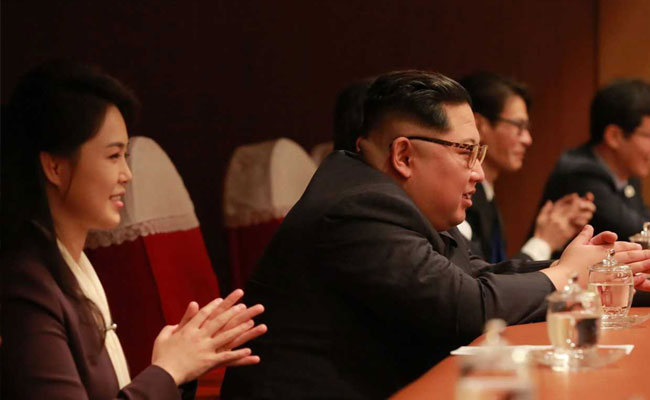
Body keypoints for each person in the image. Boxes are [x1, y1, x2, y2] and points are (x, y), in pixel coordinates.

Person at [221, 70, 650, 398]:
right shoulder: (358, 207)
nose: (478, 172)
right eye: (467, 152)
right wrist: (564, 275)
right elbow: (466, 307)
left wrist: (588, 270)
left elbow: (478, 274)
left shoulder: (389, 198)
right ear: (404, 155)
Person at [0, 61, 267, 399]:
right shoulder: (27, 283)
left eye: (125, 156)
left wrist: (181, 368)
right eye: (114, 156)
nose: (127, 174)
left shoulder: (70, 265)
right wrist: (168, 370)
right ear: (55, 167)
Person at [458, 72, 595, 263]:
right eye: (518, 126)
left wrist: (555, 229)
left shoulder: (486, 195)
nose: (527, 139)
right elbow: (483, 279)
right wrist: (544, 241)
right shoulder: (462, 199)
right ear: (479, 125)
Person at [539, 78, 650, 243]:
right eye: (648, 136)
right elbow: (636, 231)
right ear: (614, 136)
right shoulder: (580, 174)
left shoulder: (628, 173)